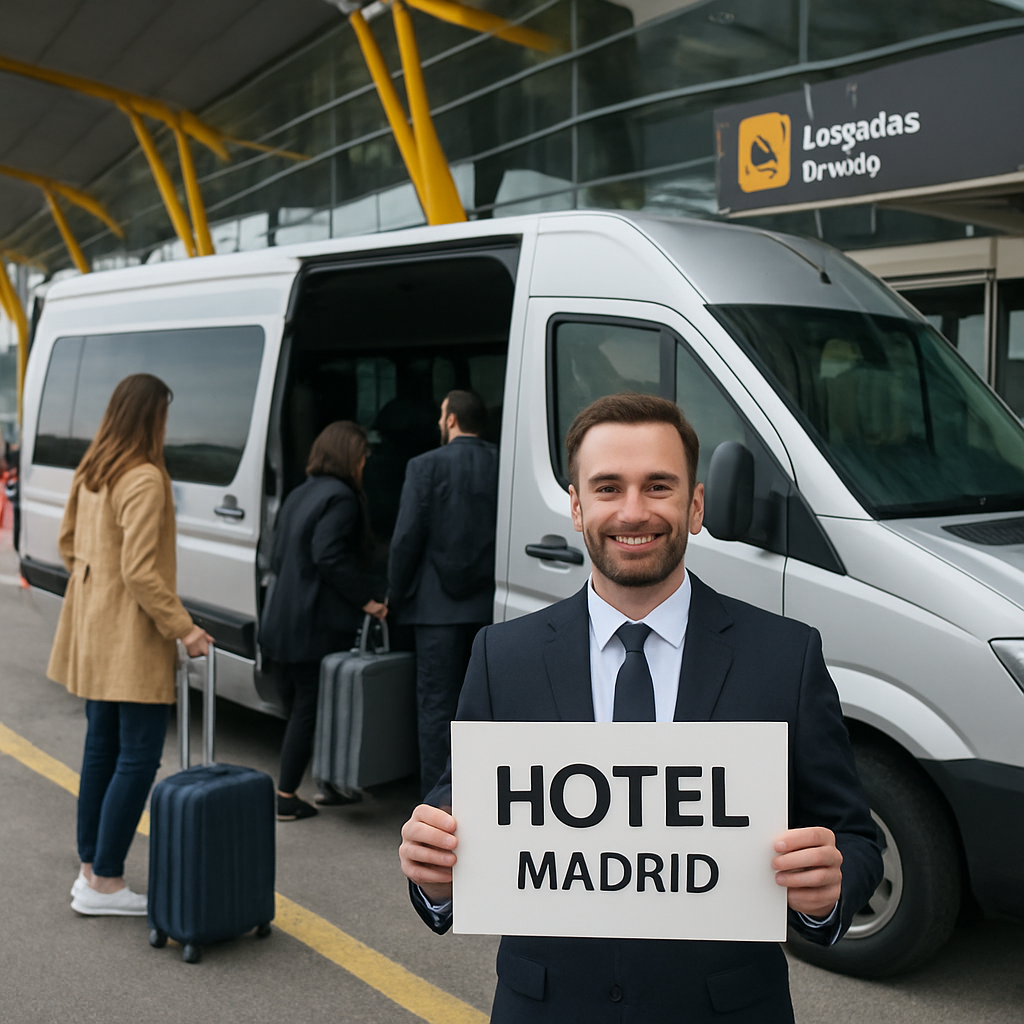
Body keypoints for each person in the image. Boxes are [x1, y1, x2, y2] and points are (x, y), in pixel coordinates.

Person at [399, 393, 883, 1023]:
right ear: (576, 506)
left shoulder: (784, 657)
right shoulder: (502, 656)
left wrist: (830, 888)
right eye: (607, 487)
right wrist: (434, 879)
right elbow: (455, 814)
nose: (634, 511)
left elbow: (855, 836)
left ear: (696, 504)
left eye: (659, 485)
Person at [47, 374, 213, 917]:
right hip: (131, 637)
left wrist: (98, 593)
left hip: (92, 630)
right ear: (151, 418)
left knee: (101, 750)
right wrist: (184, 628)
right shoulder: (143, 477)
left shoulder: (93, 468)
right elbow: (141, 572)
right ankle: (106, 882)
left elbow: (68, 545)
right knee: (137, 758)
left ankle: (91, 868)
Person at [259, 421, 387, 821]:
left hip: (281, 617)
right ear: (350, 455)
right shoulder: (342, 498)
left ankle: (325, 786)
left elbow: (279, 557)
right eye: (363, 453)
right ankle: (286, 795)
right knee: (310, 708)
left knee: (301, 703)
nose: (366, 461)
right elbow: (328, 555)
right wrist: (368, 600)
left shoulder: (301, 492)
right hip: (312, 624)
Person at [388, 389, 499, 798]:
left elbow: (406, 540)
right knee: (486, 708)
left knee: (436, 709)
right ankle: (482, 799)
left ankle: (437, 807)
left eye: (441, 415)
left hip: (434, 608)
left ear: (450, 419)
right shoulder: (502, 463)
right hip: (489, 605)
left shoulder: (423, 466)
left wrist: (394, 594)